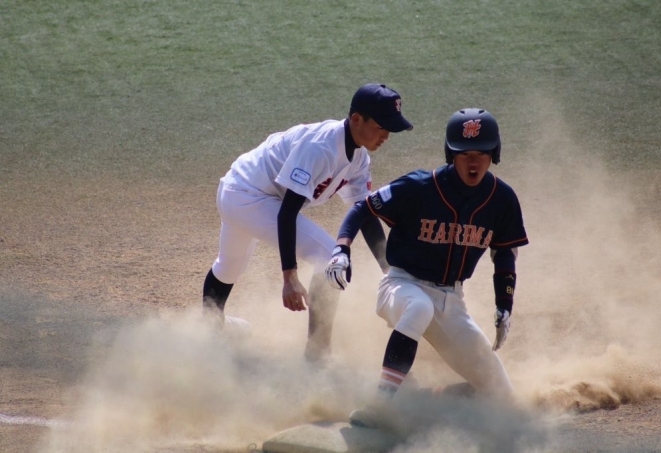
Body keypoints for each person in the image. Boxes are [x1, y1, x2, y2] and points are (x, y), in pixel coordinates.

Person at [325, 108, 529, 427]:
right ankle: (380, 404)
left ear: (494, 154)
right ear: (451, 154)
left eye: (481, 153)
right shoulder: (420, 186)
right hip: (401, 285)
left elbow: (504, 253)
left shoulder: (502, 199)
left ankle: (424, 400)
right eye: (464, 154)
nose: (473, 162)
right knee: (420, 307)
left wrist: (505, 305)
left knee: (500, 396)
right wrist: (342, 248)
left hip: (452, 302)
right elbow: (362, 208)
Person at [202, 83, 413, 362]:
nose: (386, 135)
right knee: (330, 257)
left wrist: (389, 270)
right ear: (356, 119)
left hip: (237, 191)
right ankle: (317, 355)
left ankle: (212, 331)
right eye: (381, 127)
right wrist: (289, 277)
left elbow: (364, 212)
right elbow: (287, 213)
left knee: (229, 266)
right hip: (246, 194)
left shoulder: (359, 158)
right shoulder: (320, 147)